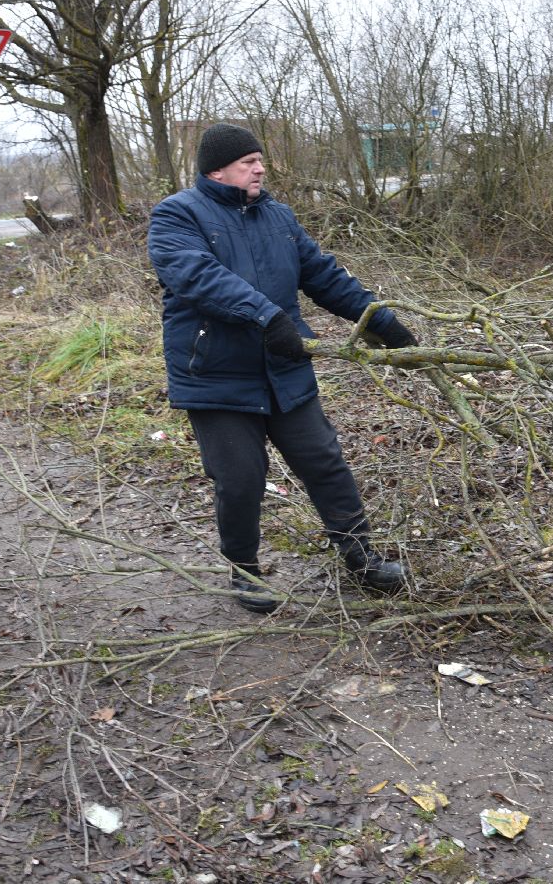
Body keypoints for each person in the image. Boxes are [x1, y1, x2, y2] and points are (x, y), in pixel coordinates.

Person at [148, 123, 419, 613]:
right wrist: (267, 316)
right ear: (217, 169)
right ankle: (245, 571)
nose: (260, 168)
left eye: (260, 160)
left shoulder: (278, 217)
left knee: (324, 461)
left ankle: (361, 557)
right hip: (216, 375)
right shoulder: (177, 215)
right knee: (241, 478)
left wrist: (381, 321)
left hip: (283, 367)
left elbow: (324, 275)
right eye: (248, 161)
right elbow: (196, 276)